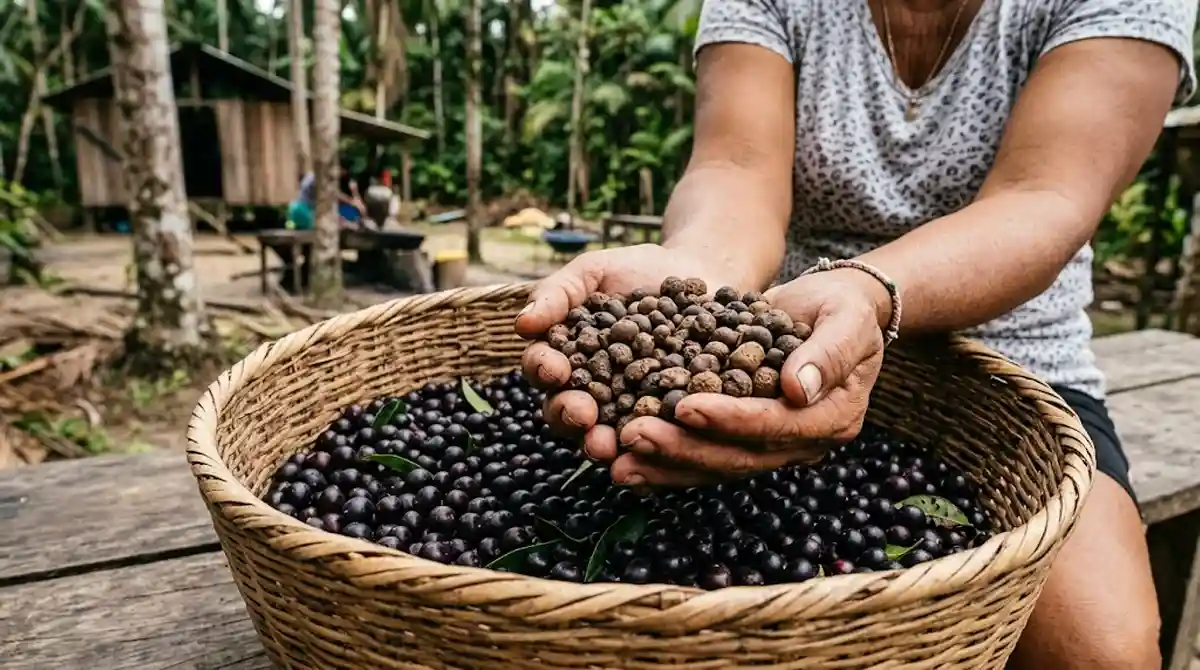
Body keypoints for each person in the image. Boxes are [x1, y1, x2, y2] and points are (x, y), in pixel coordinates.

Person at [515, 2, 1197, 668]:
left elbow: (1046, 196)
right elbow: (736, 170)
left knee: (1101, 650)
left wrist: (867, 290)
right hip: (790, 344)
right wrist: (703, 277)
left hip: (1008, 358)